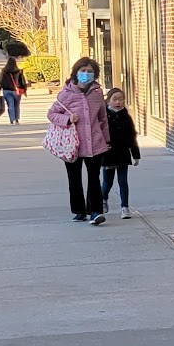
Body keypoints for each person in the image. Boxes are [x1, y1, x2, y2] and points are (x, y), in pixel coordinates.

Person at [48, 58, 111, 224]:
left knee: (94, 178)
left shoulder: (97, 94)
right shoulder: (66, 94)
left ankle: (95, 211)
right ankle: (79, 210)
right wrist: (68, 119)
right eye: (83, 71)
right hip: (71, 145)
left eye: (90, 72)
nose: (86, 74)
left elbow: (103, 118)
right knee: (74, 178)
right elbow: (52, 114)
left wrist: (106, 140)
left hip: (95, 143)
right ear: (76, 73)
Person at [102, 87, 141, 217]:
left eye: (121, 99)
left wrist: (135, 155)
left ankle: (125, 207)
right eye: (115, 99)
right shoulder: (103, 116)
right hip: (108, 154)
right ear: (108, 101)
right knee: (108, 182)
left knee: (123, 181)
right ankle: (103, 198)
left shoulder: (126, 116)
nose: (118, 102)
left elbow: (132, 136)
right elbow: (97, 134)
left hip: (123, 153)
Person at [0, 55, 27, 125]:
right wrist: (25, 90)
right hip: (17, 91)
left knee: (10, 105)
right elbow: (23, 81)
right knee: (17, 105)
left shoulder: (4, 71)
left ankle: (12, 120)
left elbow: (0, 81)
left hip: (6, 91)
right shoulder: (19, 71)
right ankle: (17, 120)